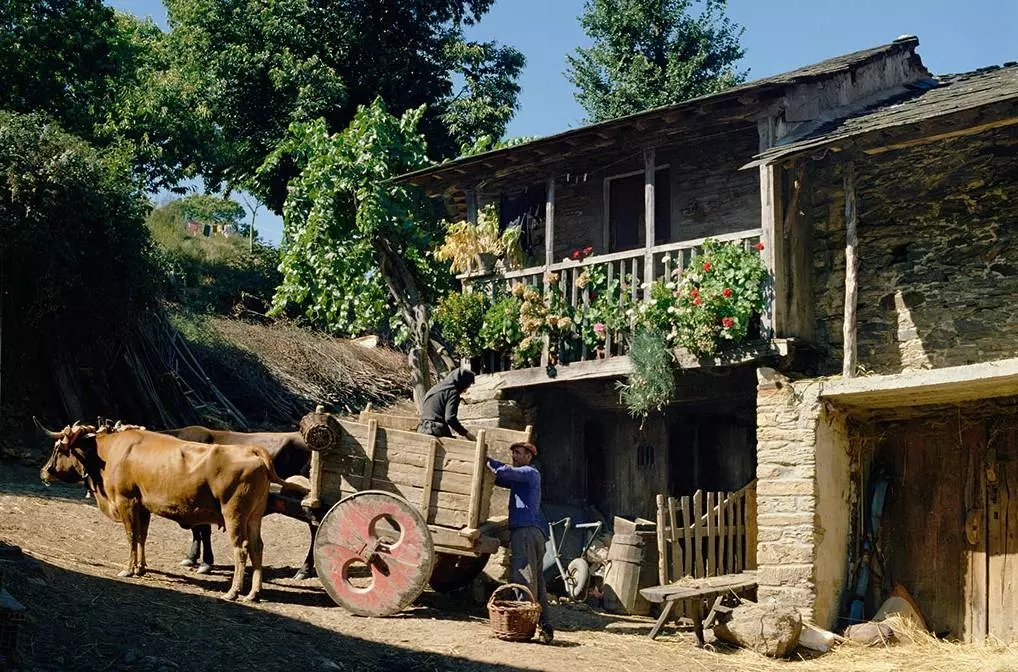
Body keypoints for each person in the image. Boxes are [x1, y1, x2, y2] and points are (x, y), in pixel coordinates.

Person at [487, 441, 554, 644]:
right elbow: (501, 478)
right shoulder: (522, 478)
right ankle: (545, 624)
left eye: (518, 453)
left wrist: (484, 458)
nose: (514, 456)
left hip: (525, 533)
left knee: (523, 579)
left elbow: (504, 472)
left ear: (528, 456)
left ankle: (524, 625)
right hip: (534, 533)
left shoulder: (529, 473)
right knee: (537, 582)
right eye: (513, 453)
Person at [417, 368, 476, 439]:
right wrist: (466, 433)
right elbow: (450, 418)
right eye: (467, 386)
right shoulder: (452, 392)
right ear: (462, 383)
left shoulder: (435, 388)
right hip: (436, 431)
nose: (465, 390)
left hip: (422, 428)